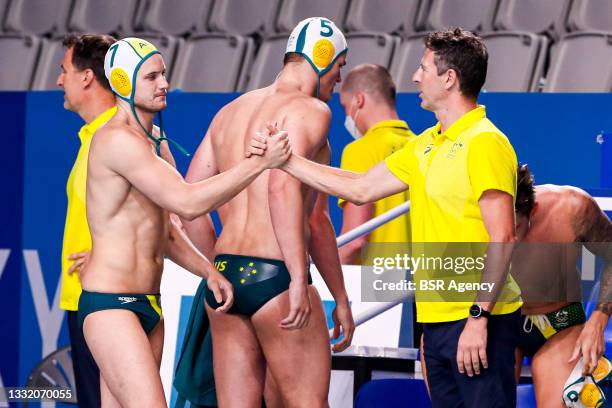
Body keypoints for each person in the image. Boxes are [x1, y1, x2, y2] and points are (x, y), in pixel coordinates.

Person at [257, 27, 523, 407]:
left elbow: (503, 237)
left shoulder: (485, 142)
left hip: (480, 320)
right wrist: (287, 160)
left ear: (449, 79)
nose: (415, 77)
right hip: (436, 322)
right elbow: (360, 187)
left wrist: (478, 319)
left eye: (423, 68)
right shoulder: (426, 143)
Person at [80, 37, 290, 407]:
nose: (163, 84)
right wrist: (259, 163)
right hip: (111, 305)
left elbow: (168, 231)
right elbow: (189, 202)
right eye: (151, 77)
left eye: (163, 74)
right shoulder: (116, 141)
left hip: (149, 305)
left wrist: (207, 270)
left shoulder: (156, 142)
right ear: (123, 84)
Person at [179, 18, 355, 407]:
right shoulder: (311, 110)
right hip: (274, 277)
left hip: (225, 279)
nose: (340, 78)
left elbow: (190, 204)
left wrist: (213, 271)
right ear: (323, 57)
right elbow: (291, 196)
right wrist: (302, 279)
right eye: (340, 65)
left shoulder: (229, 112)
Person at [513, 165, 612, 407]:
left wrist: (598, 319)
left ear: (532, 210)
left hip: (560, 322)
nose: (505, 238)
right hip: (502, 322)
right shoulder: (466, 216)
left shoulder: (572, 208)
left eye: (514, 228)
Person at [57, 33, 117, 408]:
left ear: (87, 77)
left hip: (106, 300)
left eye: (64, 71)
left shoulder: (120, 136)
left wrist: (107, 256)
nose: (59, 80)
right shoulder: (91, 136)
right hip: (83, 299)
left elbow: (166, 215)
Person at [337, 63, 415, 264]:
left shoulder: (359, 150)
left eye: (345, 107)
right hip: (421, 283)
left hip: (374, 284)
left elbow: (354, 241)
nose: (346, 117)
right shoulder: (421, 147)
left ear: (359, 100)